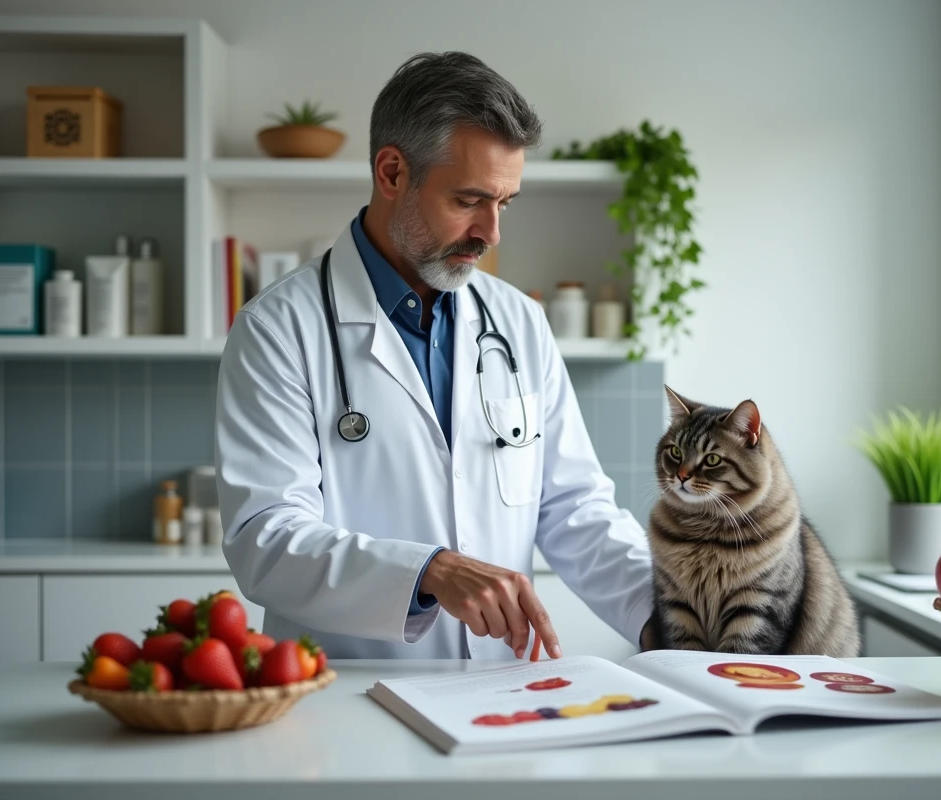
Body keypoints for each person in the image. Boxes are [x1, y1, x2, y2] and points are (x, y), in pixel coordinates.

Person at [214, 51, 655, 660]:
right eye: (469, 200)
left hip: (500, 697)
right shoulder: (278, 329)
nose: (491, 233)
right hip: (349, 698)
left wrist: (668, 618)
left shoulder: (519, 322)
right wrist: (429, 572)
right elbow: (265, 538)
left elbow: (573, 505)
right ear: (392, 173)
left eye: (505, 203)